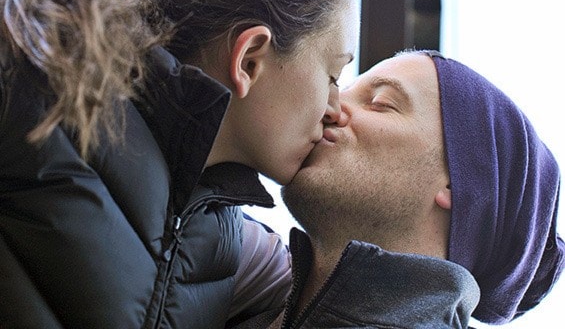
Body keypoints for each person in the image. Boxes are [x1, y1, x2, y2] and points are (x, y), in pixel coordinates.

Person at [0, 0, 361, 329]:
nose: (336, 109)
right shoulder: (19, 84)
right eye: (333, 75)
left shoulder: (222, 239)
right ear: (249, 60)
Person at [236, 50, 564, 328]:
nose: (330, 107)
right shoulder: (226, 279)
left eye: (381, 102)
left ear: (458, 187)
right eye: (343, 87)